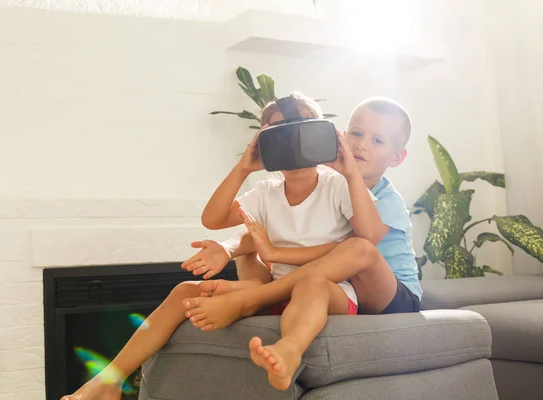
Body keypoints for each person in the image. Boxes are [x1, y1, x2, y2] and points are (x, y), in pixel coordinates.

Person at [59, 91, 378, 400]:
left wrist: (350, 172)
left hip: (327, 292)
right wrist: (244, 168)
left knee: (311, 283)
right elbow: (213, 218)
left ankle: (289, 350)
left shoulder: (337, 185)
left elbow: (368, 235)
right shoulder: (266, 193)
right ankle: (110, 380)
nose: (295, 147)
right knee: (185, 291)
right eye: (282, 138)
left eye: (305, 135)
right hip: (278, 289)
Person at [181, 96, 422, 391]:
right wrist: (229, 246)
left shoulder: (386, 200)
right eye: (356, 134)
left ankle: (257, 297)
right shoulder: (323, 183)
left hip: (389, 293)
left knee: (358, 248)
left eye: (378, 140)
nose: (361, 145)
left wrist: (276, 252)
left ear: (395, 158)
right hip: (340, 286)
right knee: (262, 239)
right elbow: (223, 220)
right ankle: (259, 297)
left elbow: (361, 243)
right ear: (341, 136)